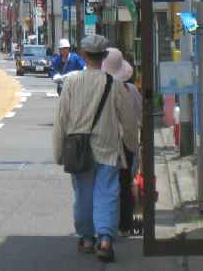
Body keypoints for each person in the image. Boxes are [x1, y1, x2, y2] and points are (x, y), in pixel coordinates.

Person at [52, 35, 138, 263]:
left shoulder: (71, 82)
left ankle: (87, 238)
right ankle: (106, 239)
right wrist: (132, 146)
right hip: (108, 147)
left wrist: (58, 151)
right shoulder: (115, 84)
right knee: (107, 193)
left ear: (83, 55)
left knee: (83, 194)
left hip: (79, 149)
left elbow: (61, 119)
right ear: (104, 56)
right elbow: (129, 121)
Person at [101, 47, 142, 236]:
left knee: (105, 185)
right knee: (125, 184)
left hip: (104, 144)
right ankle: (124, 225)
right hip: (127, 144)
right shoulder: (131, 90)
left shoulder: (99, 90)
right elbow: (140, 117)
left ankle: (106, 226)